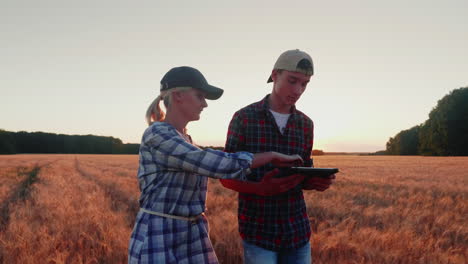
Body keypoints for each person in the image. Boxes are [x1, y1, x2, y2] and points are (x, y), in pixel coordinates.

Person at [128, 66, 306, 264]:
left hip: (191, 233)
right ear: (178, 95)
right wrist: (270, 156)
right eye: (199, 96)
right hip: (160, 233)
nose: (204, 104)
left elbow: (207, 156)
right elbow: (213, 162)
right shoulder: (157, 134)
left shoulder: (185, 139)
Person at [221, 49, 335, 264]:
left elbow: (303, 174)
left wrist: (316, 181)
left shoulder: (305, 124)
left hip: (297, 230)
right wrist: (259, 189)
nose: (298, 89)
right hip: (258, 230)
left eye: (305, 83)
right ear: (274, 75)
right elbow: (224, 176)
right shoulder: (244, 118)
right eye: (292, 81)